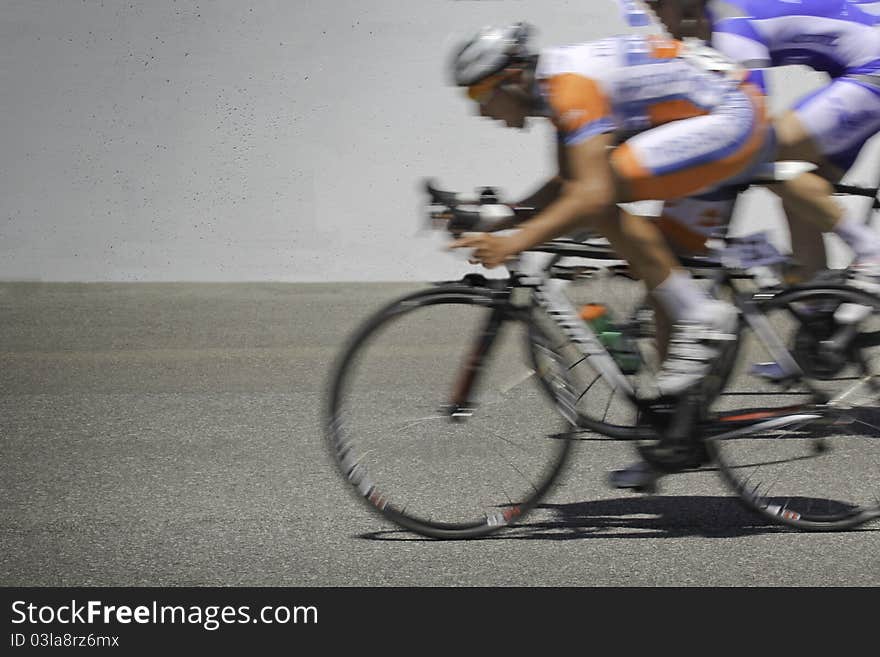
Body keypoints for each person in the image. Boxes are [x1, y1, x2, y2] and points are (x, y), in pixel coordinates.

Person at [446, 23, 773, 405]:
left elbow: (590, 194)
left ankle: (701, 314)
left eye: (480, 92)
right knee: (624, 225)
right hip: (724, 110)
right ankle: (675, 428)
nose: (480, 110)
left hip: (733, 116)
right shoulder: (555, 86)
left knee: (596, 199)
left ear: (512, 76)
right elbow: (566, 180)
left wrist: (512, 243)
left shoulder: (571, 88)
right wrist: (497, 219)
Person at [634, 0, 880, 288]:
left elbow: (751, 116)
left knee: (761, 155)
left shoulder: (730, 31)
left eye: (658, 5)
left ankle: (871, 251)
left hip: (870, 68)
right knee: (800, 194)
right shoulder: (714, 22)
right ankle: (817, 305)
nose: (652, 14)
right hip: (860, 68)